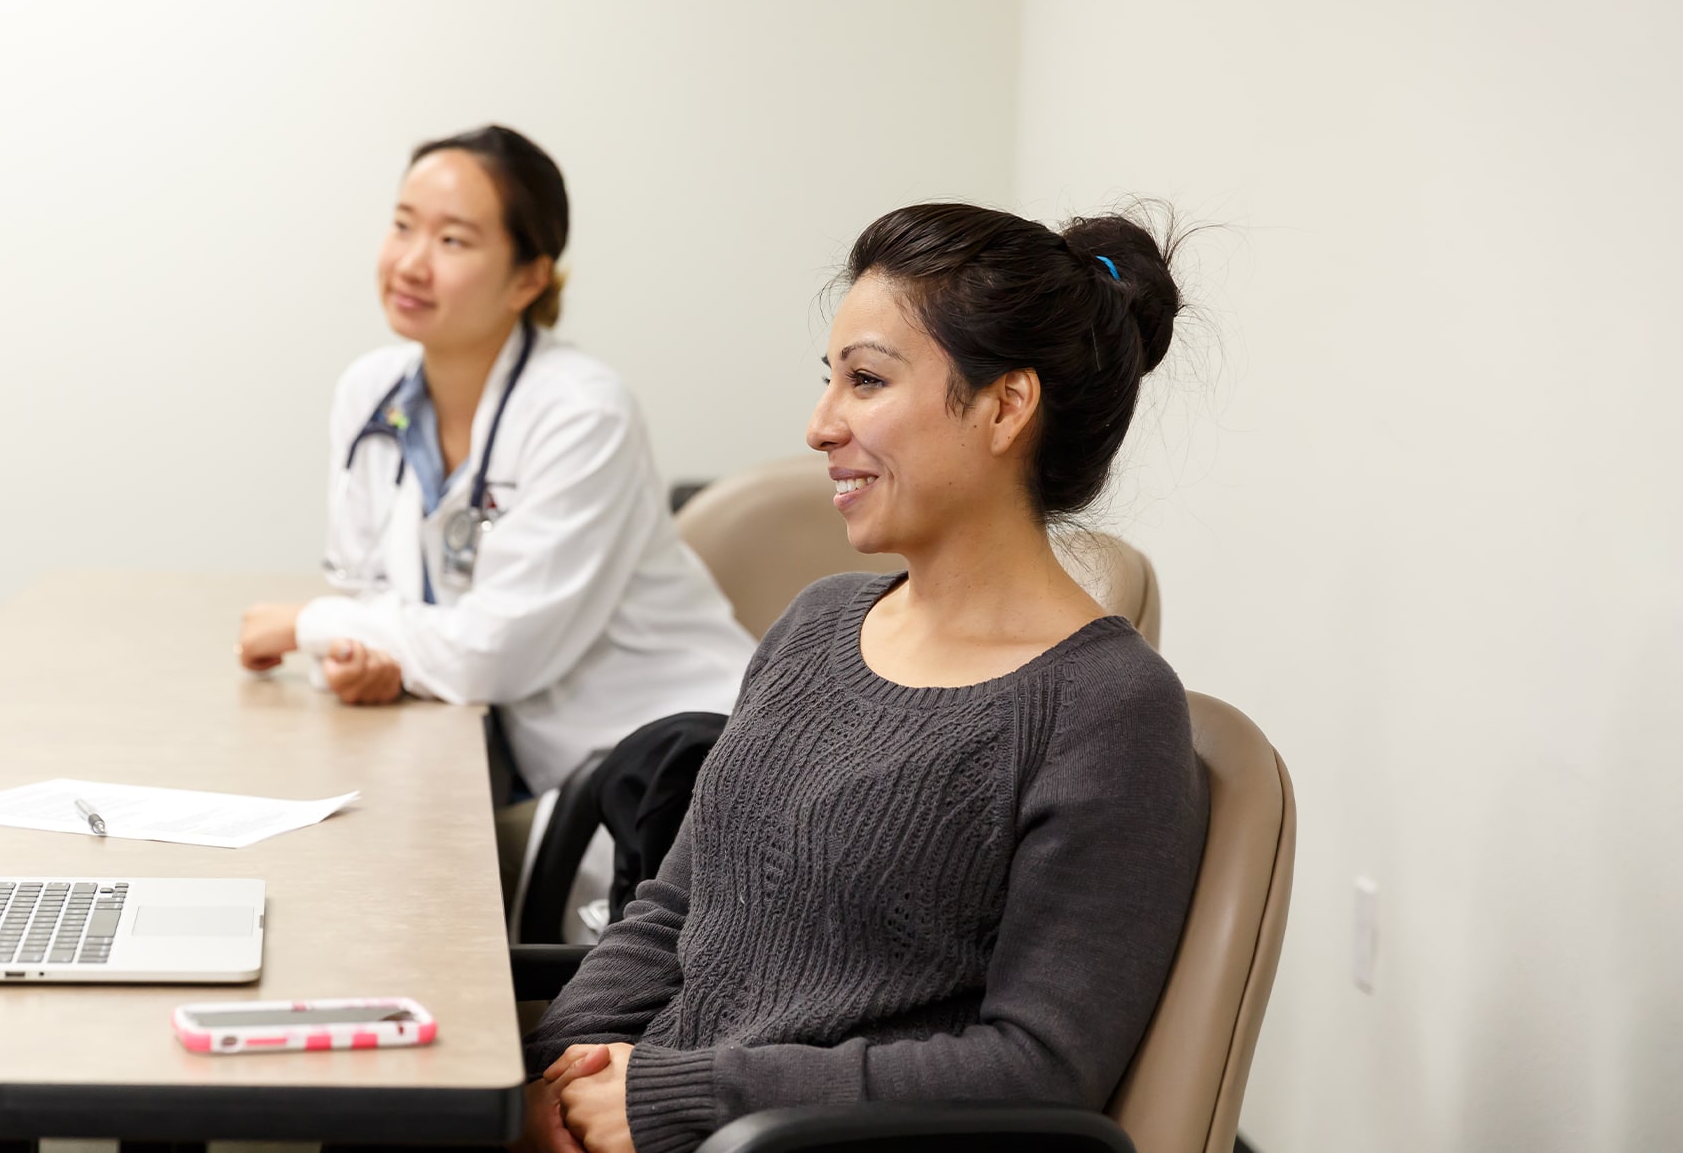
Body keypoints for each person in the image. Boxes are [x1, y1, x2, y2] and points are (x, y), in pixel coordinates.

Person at [520, 203, 1210, 1153]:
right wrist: (563, 1071)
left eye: (867, 381)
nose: (819, 425)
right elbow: (675, 909)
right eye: (829, 381)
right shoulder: (816, 623)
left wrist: (672, 1098)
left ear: (1006, 406)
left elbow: (1036, 1063)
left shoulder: (1109, 710)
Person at [236, 126, 753, 827]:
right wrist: (370, 656)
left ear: (529, 277)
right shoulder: (370, 393)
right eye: (402, 226)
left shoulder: (581, 412)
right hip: (527, 767)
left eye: (452, 240)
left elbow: (495, 652)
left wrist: (312, 624)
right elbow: (373, 592)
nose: (412, 263)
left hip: (676, 771)